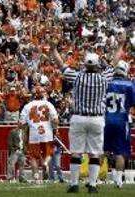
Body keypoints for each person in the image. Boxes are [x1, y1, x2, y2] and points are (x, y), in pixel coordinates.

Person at [51, 35, 125, 193]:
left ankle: (74, 184)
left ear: (85, 64)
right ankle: (92, 185)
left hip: (78, 117)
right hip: (97, 118)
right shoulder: (103, 78)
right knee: (94, 153)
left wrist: (53, 49)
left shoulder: (77, 76)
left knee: (76, 152)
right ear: (98, 64)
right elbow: (115, 61)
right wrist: (120, 44)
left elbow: (61, 65)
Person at [104, 60, 135, 188]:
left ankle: (93, 180)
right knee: (120, 152)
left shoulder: (106, 83)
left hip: (106, 120)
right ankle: (118, 181)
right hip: (122, 121)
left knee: (102, 150)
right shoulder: (129, 85)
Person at [20, 86, 59, 183]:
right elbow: (55, 120)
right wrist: (55, 130)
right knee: (49, 153)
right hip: (47, 133)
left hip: (34, 133)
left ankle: (36, 176)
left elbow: (21, 123)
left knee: (33, 157)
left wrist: (25, 132)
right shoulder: (48, 104)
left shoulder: (27, 106)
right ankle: (45, 163)